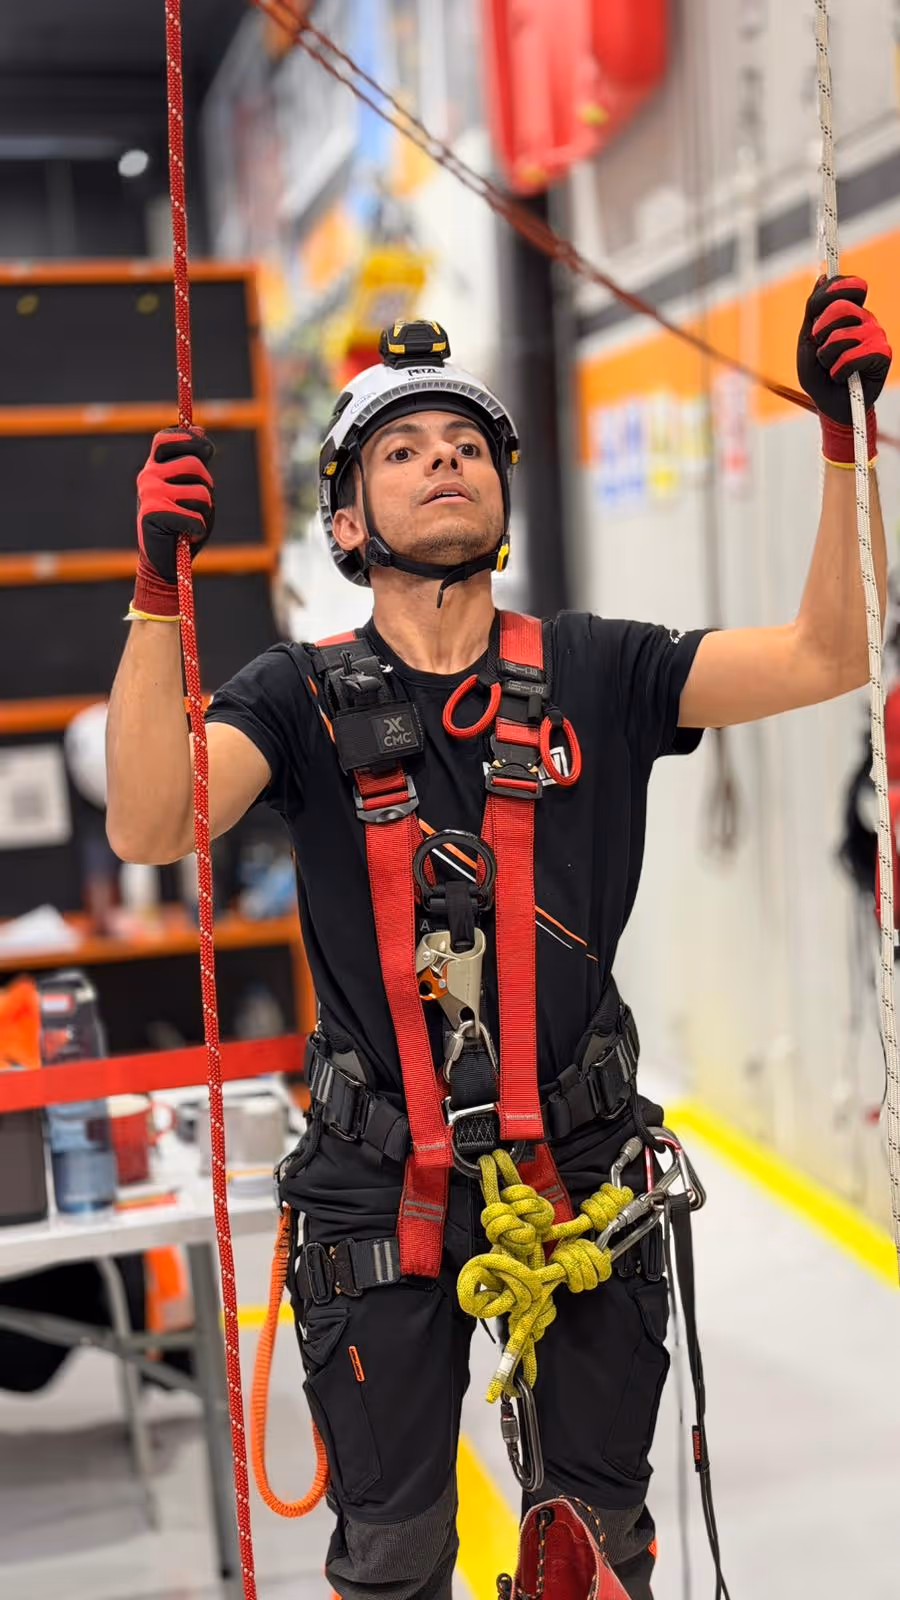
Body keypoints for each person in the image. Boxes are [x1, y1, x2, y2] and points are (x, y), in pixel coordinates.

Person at [106, 279, 891, 1600]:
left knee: (596, 1551)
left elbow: (830, 650)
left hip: (580, 1159)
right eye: (402, 451)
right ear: (348, 522)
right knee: (397, 1558)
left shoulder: (598, 670)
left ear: (504, 495)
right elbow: (148, 821)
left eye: (466, 444)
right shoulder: (292, 698)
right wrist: (155, 594)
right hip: (376, 1179)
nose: (444, 461)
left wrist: (840, 440)